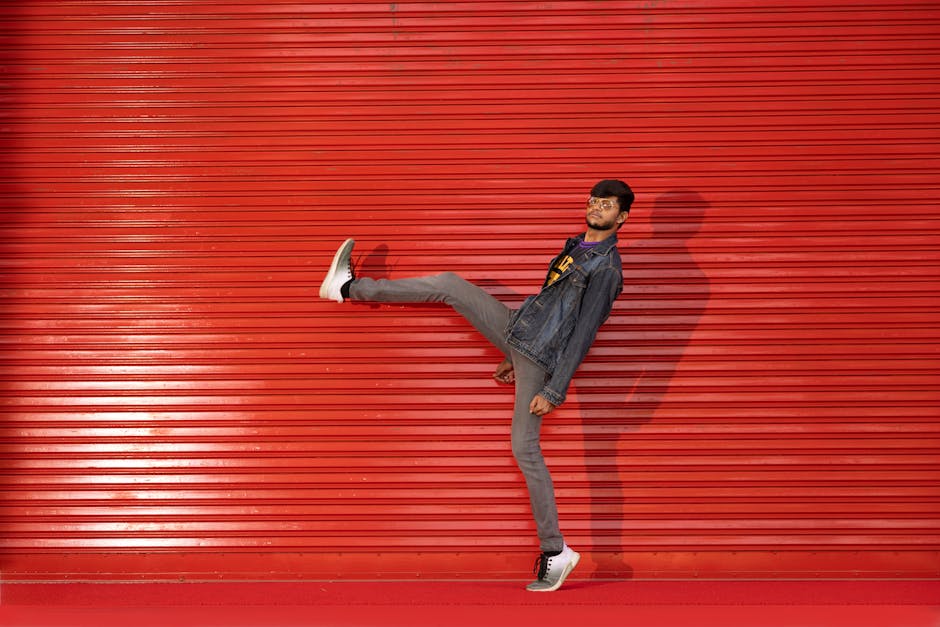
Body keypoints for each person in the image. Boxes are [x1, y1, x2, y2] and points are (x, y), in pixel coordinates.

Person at [318, 179, 634, 591]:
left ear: (621, 217)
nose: (596, 207)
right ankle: (347, 288)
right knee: (450, 285)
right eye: (594, 200)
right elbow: (549, 309)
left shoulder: (607, 268)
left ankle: (555, 552)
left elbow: (584, 331)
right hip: (521, 336)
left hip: (540, 358)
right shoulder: (576, 247)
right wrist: (510, 354)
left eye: (606, 204)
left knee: (524, 448)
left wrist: (554, 388)